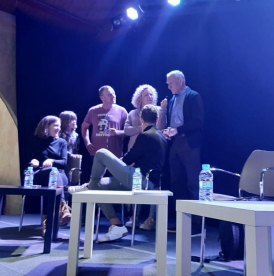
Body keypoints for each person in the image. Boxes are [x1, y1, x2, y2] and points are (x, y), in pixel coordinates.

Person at [69, 105, 167, 242]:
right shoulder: (161, 136)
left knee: (101, 153)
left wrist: (114, 163)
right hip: (148, 182)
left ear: (141, 118)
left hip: (140, 180)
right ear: (157, 119)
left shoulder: (146, 135)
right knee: (96, 186)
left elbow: (129, 158)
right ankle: (117, 225)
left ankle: (89, 183)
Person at [161, 70, 204, 231]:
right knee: (176, 182)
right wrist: (169, 131)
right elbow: (173, 122)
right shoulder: (172, 99)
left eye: (170, 83)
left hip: (189, 144)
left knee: (193, 182)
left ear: (180, 81)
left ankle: (197, 222)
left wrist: (177, 130)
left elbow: (198, 122)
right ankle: (181, 220)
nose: (168, 86)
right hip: (175, 145)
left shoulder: (193, 96)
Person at [123, 84, 166, 231]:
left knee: (152, 184)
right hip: (135, 152)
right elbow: (126, 130)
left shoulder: (159, 111)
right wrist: (143, 127)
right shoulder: (133, 113)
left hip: (150, 156)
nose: (150, 97)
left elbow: (160, 129)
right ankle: (134, 216)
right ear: (139, 98)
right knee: (136, 185)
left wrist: (147, 127)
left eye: (151, 94)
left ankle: (151, 218)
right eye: (147, 94)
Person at [29, 116, 72, 233]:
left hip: (60, 175)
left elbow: (64, 162)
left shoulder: (62, 142)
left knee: (54, 174)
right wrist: (34, 162)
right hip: (41, 174)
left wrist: (52, 161)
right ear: (47, 127)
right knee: (52, 173)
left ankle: (48, 225)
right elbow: (29, 159)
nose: (58, 128)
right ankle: (63, 208)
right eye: (56, 126)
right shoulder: (36, 140)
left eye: (59, 126)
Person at [81, 85, 128, 159]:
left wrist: (117, 132)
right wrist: (87, 143)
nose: (113, 96)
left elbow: (129, 130)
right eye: (110, 94)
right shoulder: (93, 111)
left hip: (115, 154)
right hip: (97, 153)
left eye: (114, 93)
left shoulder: (122, 111)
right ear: (102, 98)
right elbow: (84, 127)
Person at [59, 111, 82, 185]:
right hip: (62, 159)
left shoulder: (75, 135)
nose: (74, 122)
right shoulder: (59, 134)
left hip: (72, 159)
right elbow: (59, 149)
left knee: (74, 176)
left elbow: (75, 149)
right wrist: (69, 154)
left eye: (75, 119)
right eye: (71, 120)